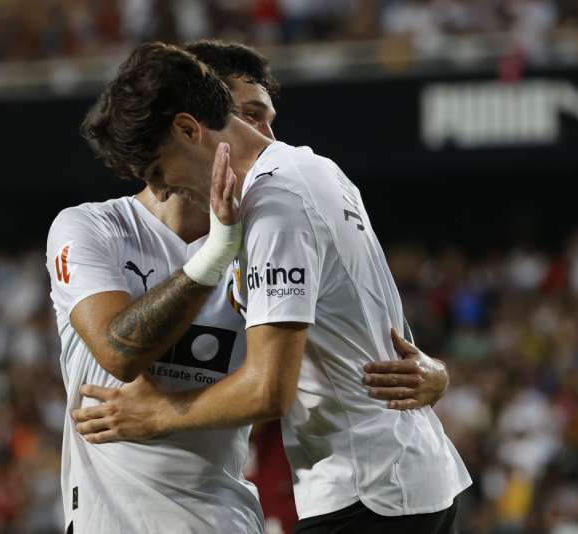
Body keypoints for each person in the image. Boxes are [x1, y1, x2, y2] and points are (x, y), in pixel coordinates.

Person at [72, 41, 472, 533]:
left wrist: (157, 415)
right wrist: (435, 372)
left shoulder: (274, 201)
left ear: (188, 129)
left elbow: (268, 390)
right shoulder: (317, 171)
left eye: (159, 170)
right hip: (401, 478)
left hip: (367, 490)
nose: (166, 187)